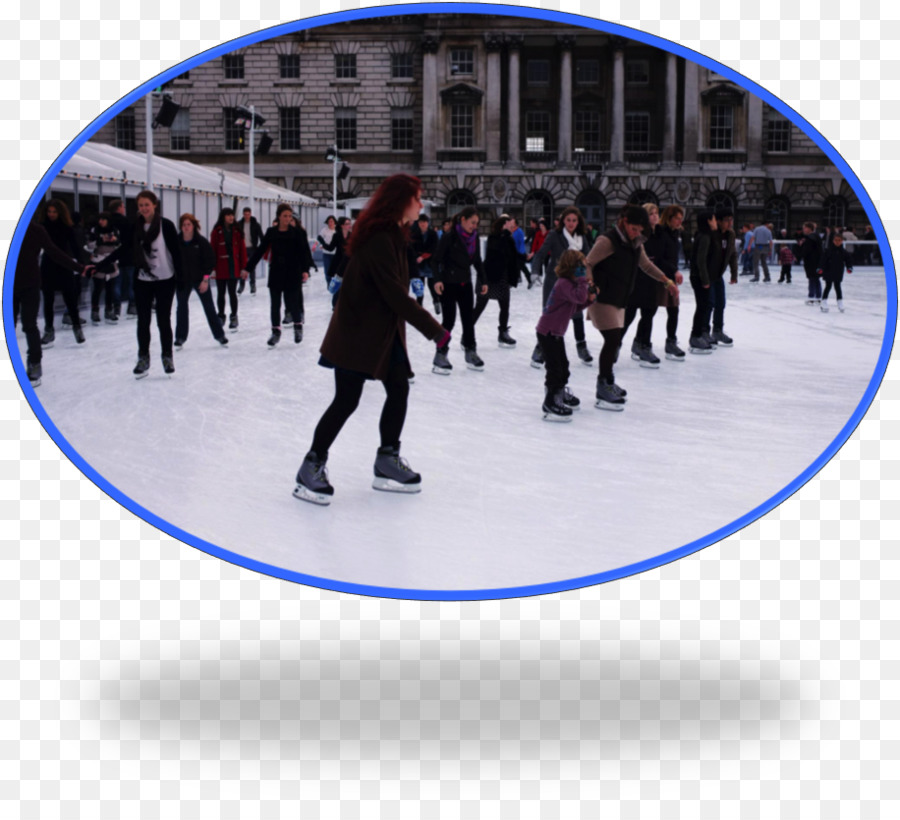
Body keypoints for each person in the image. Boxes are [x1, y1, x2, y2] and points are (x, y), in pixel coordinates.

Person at [293, 174, 449, 506]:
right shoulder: (380, 238)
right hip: (357, 332)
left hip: (381, 332)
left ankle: (386, 460)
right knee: (346, 400)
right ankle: (312, 465)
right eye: (416, 198)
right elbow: (394, 294)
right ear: (400, 201)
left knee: (399, 388)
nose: (420, 204)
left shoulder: (394, 234)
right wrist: (435, 329)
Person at [584, 205, 678, 409]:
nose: (637, 233)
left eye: (640, 230)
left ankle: (608, 381)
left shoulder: (636, 242)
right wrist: (590, 285)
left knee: (614, 339)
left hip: (619, 298)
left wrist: (666, 281)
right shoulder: (607, 241)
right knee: (613, 339)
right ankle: (603, 385)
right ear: (624, 222)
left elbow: (645, 265)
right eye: (634, 229)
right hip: (602, 297)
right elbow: (587, 263)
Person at [14, 221, 92, 387]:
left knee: (29, 325)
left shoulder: (35, 230)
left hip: (30, 285)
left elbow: (55, 252)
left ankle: (35, 363)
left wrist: (79, 267)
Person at [530, 206, 595, 368]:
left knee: (577, 313)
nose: (571, 223)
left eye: (574, 220)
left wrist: (590, 277)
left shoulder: (582, 237)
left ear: (578, 221)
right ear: (563, 221)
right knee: (550, 315)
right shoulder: (555, 235)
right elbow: (541, 253)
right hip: (555, 281)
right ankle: (540, 349)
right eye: (568, 220)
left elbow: (587, 259)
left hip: (575, 281)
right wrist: (535, 271)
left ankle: (581, 346)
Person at [242, 203, 313, 347]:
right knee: (275, 304)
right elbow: (260, 250)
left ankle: (298, 327)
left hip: (293, 271)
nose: (287, 219)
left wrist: (305, 270)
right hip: (276, 271)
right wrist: (248, 268)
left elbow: (304, 252)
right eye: (285, 216)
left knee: (293, 302)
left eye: (289, 216)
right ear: (279, 216)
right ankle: (275, 332)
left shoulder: (296, 233)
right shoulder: (271, 232)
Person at [535, 249, 593, 421]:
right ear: (572, 268)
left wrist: (590, 300)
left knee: (563, 366)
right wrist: (583, 281)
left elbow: (574, 307)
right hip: (548, 332)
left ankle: (558, 392)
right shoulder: (564, 283)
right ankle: (551, 401)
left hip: (555, 333)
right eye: (580, 268)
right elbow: (580, 297)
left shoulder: (569, 285)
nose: (583, 272)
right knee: (555, 368)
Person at [432, 205, 486, 373]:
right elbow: (436, 261)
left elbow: (477, 260)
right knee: (449, 321)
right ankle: (440, 354)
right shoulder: (449, 237)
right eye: (472, 222)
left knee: (468, 319)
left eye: (476, 223)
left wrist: (483, 280)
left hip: (465, 283)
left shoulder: (474, 238)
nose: (474, 226)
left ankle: (470, 351)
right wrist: (437, 280)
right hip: (449, 284)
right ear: (463, 220)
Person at [622, 203, 666, 368]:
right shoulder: (640, 233)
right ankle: (615, 345)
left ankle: (643, 344)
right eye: (651, 213)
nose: (655, 216)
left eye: (657, 213)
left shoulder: (660, 233)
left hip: (652, 278)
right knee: (629, 314)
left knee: (649, 313)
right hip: (637, 278)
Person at [174, 213, 228, 348]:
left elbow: (210, 261)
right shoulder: (176, 242)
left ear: (193, 226)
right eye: (184, 225)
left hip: (199, 279)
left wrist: (205, 280)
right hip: (182, 280)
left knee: (209, 307)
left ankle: (219, 335)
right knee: (181, 307)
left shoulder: (201, 242)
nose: (186, 227)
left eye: (188, 225)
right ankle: (180, 337)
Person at [39, 199, 86, 346]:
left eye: (54, 212)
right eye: (49, 212)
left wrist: (80, 265)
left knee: (70, 299)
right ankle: (49, 329)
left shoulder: (67, 227)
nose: (52, 214)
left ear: (60, 212)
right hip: (48, 265)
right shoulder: (42, 227)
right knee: (48, 300)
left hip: (64, 264)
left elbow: (75, 247)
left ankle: (77, 328)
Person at [474, 216, 520, 348]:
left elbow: (513, 256)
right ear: (502, 226)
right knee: (480, 307)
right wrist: (504, 235)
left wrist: (525, 258)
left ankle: (503, 333)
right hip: (489, 277)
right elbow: (496, 252)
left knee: (505, 306)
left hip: (503, 277)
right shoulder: (493, 238)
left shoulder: (509, 238)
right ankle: (467, 332)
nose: (513, 228)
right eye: (510, 225)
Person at [687, 209, 722, 353]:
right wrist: (705, 280)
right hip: (700, 277)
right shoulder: (705, 237)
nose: (716, 222)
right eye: (713, 219)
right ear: (708, 221)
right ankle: (695, 336)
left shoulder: (707, 235)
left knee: (704, 306)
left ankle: (699, 334)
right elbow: (701, 260)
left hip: (701, 276)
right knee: (702, 306)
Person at [656, 205, 687, 360]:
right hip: (659, 276)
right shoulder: (661, 233)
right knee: (649, 311)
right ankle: (640, 341)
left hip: (671, 276)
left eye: (681, 219)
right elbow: (659, 258)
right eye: (677, 218)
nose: (679, 221)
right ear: (669, 218)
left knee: (674, 310)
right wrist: (674, 270)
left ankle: (671, 342)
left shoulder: (675, 233)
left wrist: (675, 271)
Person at [209, 208, 248, 331]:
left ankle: (234, 316)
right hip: (221, 267)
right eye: (228, 215)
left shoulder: (237, 231)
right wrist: (213, 268)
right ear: (223, 217)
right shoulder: (216, 231)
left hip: (233, 266)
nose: (231, 217)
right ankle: (221, 315)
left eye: (232, 215)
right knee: (221, 293)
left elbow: (242, 250)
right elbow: (213, 250)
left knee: (232, 293)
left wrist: (244, 267)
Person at [84, 211, 121, 325]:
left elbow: (120, 244)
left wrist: (115, 240)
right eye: (100, 219)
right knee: (98, 288)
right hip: (98, 261)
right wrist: (101, 240)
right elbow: (89, 245)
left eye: (104, 219)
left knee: (110, 288)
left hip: (111, 261)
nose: (101, 222)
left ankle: (108, 310)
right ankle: (95, 311)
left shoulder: (115, 230)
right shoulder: (94, 230)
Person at [709, 207, 736, 347]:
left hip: (718, 274)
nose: (730, 223)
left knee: (721, 303)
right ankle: (703, 332)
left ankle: (717, 330)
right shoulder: (711, 234)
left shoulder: (730, 234)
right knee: (709, 304)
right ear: (718, 221)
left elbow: (732, 254)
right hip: (708, 274)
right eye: (726, 220)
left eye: (731, 220)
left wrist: (734, 273)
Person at [107, 198, 135, 318]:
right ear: (119, 208)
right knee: (131, 282)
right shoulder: (126, 222)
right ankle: (132, 305)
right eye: (123, 207)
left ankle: (116, 306)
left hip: (113, 256)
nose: (124, 209)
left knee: (116, 282)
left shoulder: (108, 222)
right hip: (128, 256)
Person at [409, 213, 440, 313]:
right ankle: (419, 306)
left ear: (428, 223)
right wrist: (417, 257)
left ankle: (436, 301)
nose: (423, 224)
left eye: (425, 222)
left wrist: (423, 256)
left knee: (432, 285)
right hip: (419, 264)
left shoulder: (432, 234)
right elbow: (411, 248)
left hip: (430, 263)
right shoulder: (414, 234)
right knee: (419, 286)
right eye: (421, 222)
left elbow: (434, 247)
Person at [817, 231, 853, 313]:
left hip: (838, 271)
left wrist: (849, 267)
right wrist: (820, 268)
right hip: (828, 270)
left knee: (837, 286)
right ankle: (824, 301)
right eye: (836, 240)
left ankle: (840, 302)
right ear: (833, 241)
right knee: (828, 286)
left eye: (839, 240)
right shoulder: (828, 250)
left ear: (842, 241)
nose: (837, 242)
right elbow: (823, 260)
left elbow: (848, 260)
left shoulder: (843, 252)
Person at [238, 207, 263, 294]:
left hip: (252, 248)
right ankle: (241, 284)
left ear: (250, 214)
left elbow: (261, 236)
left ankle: (252, 285)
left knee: (251, 267)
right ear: (243, 214)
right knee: (242, 267)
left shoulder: (255, 224)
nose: (247, 216)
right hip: (243, 248)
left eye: (248, 214)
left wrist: (260, 248)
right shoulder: (239, 224)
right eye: (245, 214)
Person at [797, 221, 823, 305]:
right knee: (816, 279)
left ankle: (811, 297)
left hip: (811, 261)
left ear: (809, 228)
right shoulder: (817, 237)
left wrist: (800, 250)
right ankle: (818, 297)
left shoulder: (810, 238)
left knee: (812, 279)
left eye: (804, 228)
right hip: (817, 261)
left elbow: (806, 251)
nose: (803, 229)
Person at [317, 215, 338, 286]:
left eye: (332, 221)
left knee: (336, 270)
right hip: (326, 253)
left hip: (335, 253)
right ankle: (329, 283)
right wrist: (324, 244)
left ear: (334, 222)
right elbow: (319, 237)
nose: (330, 223)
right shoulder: (324, 230)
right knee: (327, 269)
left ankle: (335, 284)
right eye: (329, 221)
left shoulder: (337, 230)